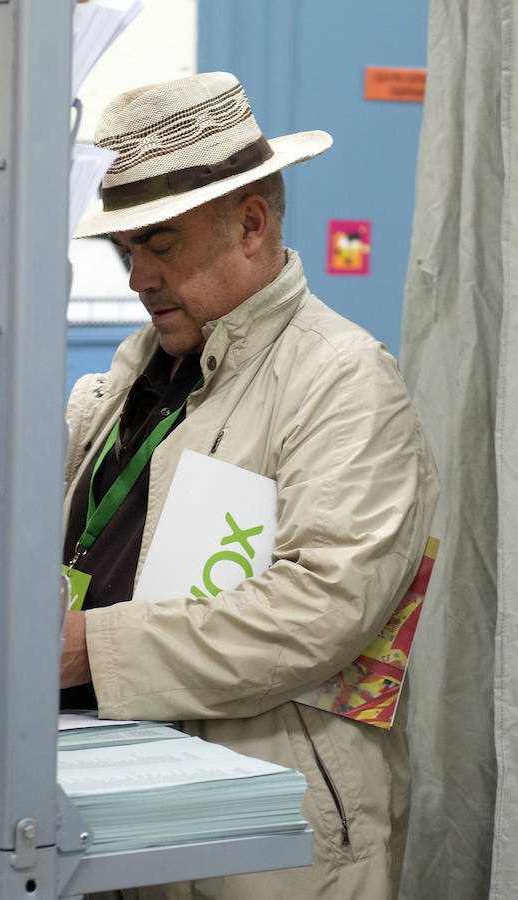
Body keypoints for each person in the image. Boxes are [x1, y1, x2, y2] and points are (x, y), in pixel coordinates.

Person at [60, 71, 439, 900]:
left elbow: (320, 607)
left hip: (263, 838)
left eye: (160, 245)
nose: (138, 279)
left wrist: (89, 649)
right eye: (127, 253)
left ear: (252, 225)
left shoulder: (342, 380)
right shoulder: (138, 371)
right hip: (127, 792)